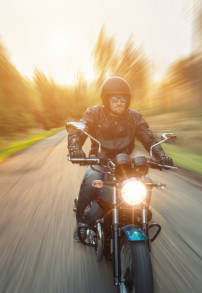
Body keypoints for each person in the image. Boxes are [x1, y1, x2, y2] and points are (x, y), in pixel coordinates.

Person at [67, 76, 173, 240]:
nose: (119, 102)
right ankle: (81, 224)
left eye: (123, 98)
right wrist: (75, 147)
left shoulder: (134, 117)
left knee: (145, 183)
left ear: (127, 100)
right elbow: (80, 130)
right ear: (106, 99)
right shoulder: (94, 113)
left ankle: (140, 213)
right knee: (90, 179)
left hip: (124, 163)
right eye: (114, 98)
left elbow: (149, 138)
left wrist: (161, 155)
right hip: (100, 162)